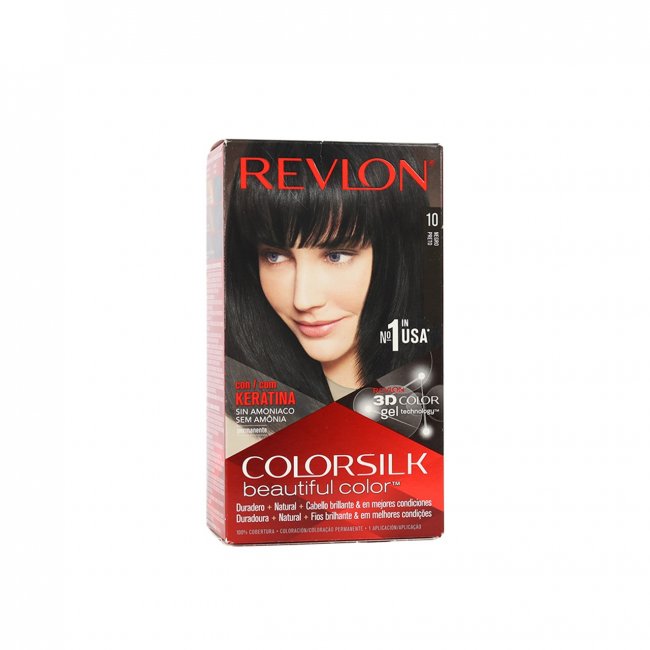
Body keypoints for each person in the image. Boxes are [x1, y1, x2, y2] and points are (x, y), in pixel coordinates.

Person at [225, 141, 432, 405]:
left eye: (336, 255)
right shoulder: (241, 409)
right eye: (275, 256)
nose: (303, 300)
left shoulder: (432, 382)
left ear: (397, 255)